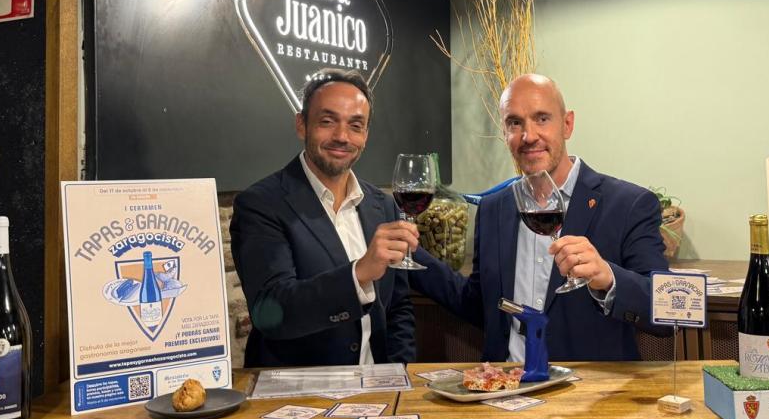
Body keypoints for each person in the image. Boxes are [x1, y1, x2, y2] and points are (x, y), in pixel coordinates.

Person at [411, 73, 669, 362]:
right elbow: (477, 304)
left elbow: (666, 316)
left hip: (587, 398)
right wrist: (412, 256)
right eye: (515, 123)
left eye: (542, 119)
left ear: (567, 124)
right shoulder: (494, 208)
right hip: (505, 391)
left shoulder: (629, 204)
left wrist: (608, 277)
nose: (529, 135)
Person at [231, 68, 418, 367]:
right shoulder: (260, 204)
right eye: (327, 121)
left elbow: (398, 306)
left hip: (377, 391)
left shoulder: (382, 205)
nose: (342, 137)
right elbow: (271, 312)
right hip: (298, 398)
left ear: (366, 135)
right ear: (302, 125)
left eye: (355, 125)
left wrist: (398, 372)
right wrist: (359, 273)